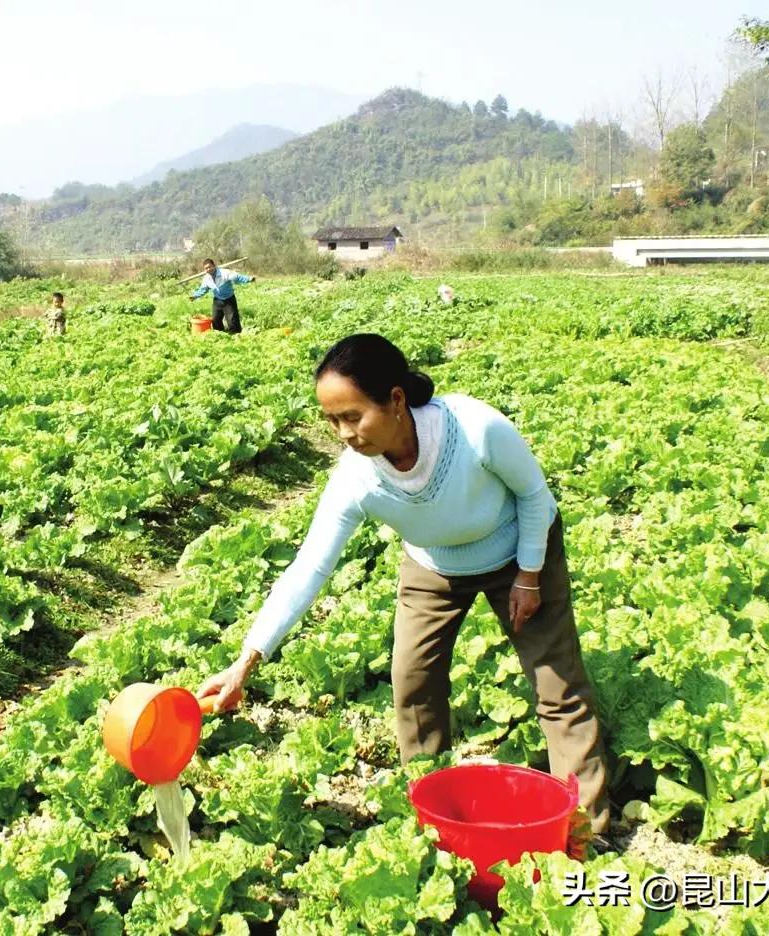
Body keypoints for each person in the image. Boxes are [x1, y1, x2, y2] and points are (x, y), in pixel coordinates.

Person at [197, 333, 611, 834]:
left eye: (353, 416)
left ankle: (584, 827)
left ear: (395, 400)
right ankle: (432, 811)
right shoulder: (356, 477)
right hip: (433, 567)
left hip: (517, 551)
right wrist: (246, 661)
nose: (344, 433)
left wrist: (528, 575)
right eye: (332, 421)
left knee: (556, 684)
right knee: (413, 682)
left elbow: (535, 497)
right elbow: (309, 567)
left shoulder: (474, 428)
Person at [189, 259, 255, 333]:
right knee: (215, 320)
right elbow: (203, 289)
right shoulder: (207, 278)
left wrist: (249, 279)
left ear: (214, 266)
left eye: (210, 267)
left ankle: (236, 335)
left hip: (229, 300)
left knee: (232, 321)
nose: (208, 269)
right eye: (206, 268)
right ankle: (220, 334)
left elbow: (237, 277)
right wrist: (195, 296)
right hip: (217, 300)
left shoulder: (224, 273)